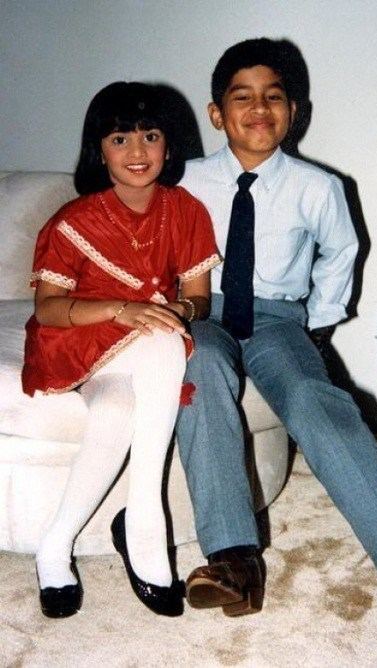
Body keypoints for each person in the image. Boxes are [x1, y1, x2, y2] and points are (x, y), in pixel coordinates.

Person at [175, 38, 377, 638]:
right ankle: (233, 560)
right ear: (217, 113)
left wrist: (316, 324)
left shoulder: (318, 187)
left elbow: (341, 253)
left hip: (279, 320)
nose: (259, 109)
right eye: (243, 97)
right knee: (200, 370)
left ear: (293, 112)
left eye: (274, 97)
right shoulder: (184, 180)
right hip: (202, 310)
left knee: (317, 401)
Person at [22, 81, 220, 618]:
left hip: (148, 342)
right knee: (158, 339)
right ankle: (145, 522)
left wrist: (180, 312)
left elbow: (198, 299)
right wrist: (122, 309)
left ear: (169, 145)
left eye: (150, 137)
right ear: (98, 150)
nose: (137, 153)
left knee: (117, 410)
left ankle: (54, 546)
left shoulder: (188, 211)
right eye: (119, 140)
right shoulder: (73, 221)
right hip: (80, 337)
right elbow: (49, 310)